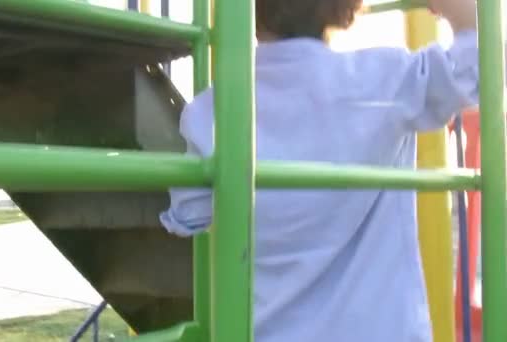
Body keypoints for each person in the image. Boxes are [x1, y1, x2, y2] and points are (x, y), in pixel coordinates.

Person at [159, 0, 479, 341]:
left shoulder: (208, 112)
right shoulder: (386, 80)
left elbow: (189, 214)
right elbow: (476, 69)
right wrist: (459, 11)